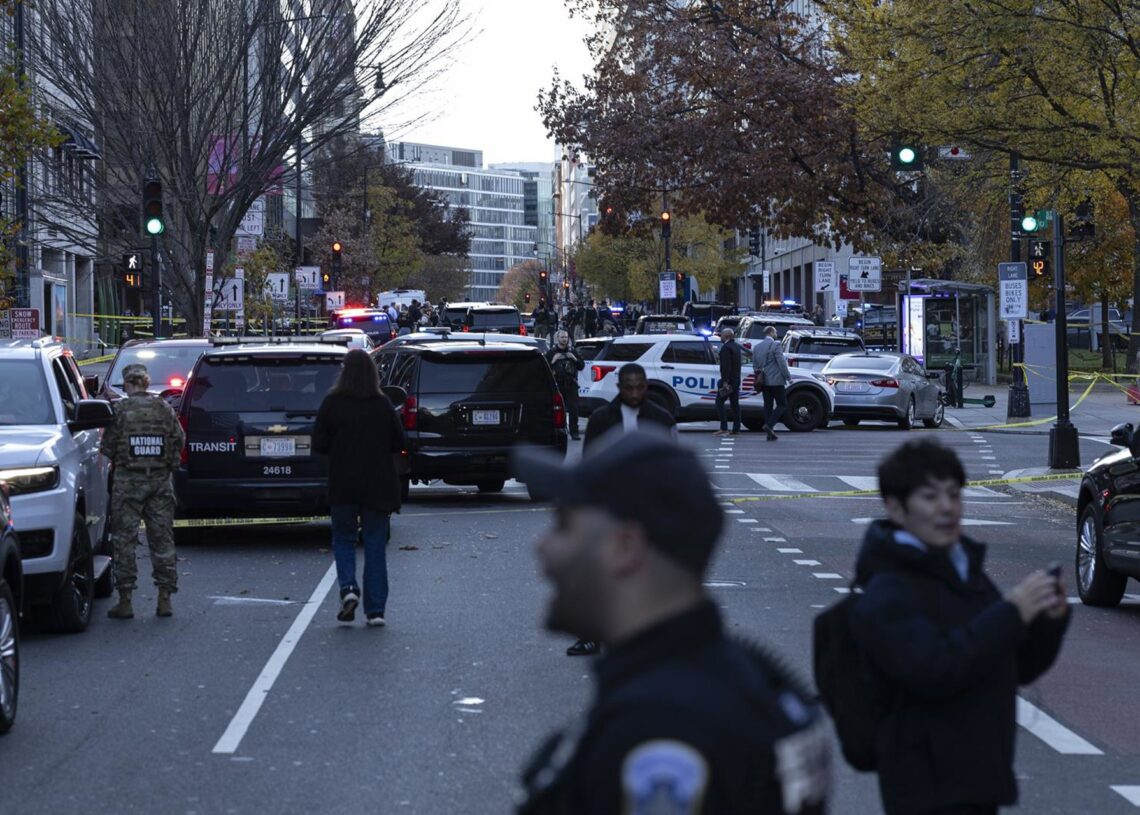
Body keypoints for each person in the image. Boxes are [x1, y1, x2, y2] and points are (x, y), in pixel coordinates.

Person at [514, 433, 831, 815]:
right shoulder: (744, 680)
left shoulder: (662, 727)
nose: (542, 545)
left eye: (563, 526)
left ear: (625, 547)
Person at [850, 440, 1069, 815]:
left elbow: (1016, 666)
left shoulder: (965, 571)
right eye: (930, 497)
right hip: (926, 785)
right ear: (895, 508)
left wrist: (1047, 619)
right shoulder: (886, 591)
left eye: (954, 494)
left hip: (978, 778)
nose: (947, 508)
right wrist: (1011, 612)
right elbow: (935, 670)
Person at [567, 364, 678, 657]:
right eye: (628, 387)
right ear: (619, 387)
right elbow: (589, 463)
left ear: (645, 386)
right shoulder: (601, 419)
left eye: (639, 387)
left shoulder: (661, 419)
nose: (634, 393)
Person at [313, 349, 406, 626]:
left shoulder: (332, 403)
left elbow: (319, 443)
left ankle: (348, 588)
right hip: (378, 485)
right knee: (375, 544)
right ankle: (375, 609)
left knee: (343, 539)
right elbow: (398, 442)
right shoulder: (382, 404)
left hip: (343, 483)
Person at [100, 363, 185, 619]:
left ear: (127, 383)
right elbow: (178, 438)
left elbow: (107, 446)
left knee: (125, 541)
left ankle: (125, 600)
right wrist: (168, 464)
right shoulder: (163, 407)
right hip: (159, 482)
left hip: (128, 484)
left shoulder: (121, 410)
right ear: (146, 382)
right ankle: (164, 598)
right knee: (162, 539)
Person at [751, 325, 791, 442]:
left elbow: (755, 365)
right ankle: (769, 425)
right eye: (775, 332)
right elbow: (781, 363)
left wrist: (759, 376)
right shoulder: (776, 345)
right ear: (771, 333)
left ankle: (770, 433)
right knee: (782, 404)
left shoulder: (757, 347)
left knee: (767, 406)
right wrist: (788, 377)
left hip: (763, 381)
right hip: (776, 381)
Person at [546, 330, 584, 441]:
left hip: (571, 384)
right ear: (557, 338)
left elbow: (581, 366)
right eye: (562, 337)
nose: (564, 339)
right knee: (556, 409)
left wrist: (574, 358)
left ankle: (574, 432)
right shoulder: (552, 352)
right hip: (557, 384)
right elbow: (545, 368)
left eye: (566, 337)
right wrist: (553, 361)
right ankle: (558, 432)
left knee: (574, 409)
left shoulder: (572, 351)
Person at [714, 327, 742, 435]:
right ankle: (736, 428)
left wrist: (725, 381)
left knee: (719, 402)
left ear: (726, 336)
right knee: (735, 405)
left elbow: (726, 367)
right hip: (735, 381)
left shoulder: (726, 348)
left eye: (721, 335)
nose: (720, 337)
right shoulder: (736, 347)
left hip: (728, 382)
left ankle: (724, 427)